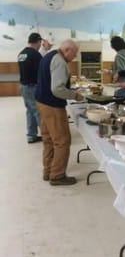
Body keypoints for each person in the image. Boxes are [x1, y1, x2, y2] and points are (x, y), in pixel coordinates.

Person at [36, 39, 84, 186]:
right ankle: (57, 175)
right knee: (62, 141)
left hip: (42, 102)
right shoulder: (60, 62)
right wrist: (74, 95)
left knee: (48, 139)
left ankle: (48, 171)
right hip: (53, 106)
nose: (74, 57)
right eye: (74, 54)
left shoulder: (49, 55)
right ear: (67, 50)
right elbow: (57, 89)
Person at [18, 32, 43, 143]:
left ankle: (31, 135)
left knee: (29, 110)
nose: (40, 45)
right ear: (37, 42)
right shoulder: (35, 54)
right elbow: (42, 71)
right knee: (38, 111)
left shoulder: (21, 53)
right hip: (32, 87)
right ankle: (47, 136)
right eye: (40, 43)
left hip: (23, 86)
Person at [110, 36, 125, 101]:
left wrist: (114, 78)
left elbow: (121, 71)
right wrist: (110, 71)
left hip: (121, 84)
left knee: (120, 105)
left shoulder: (119, 56)